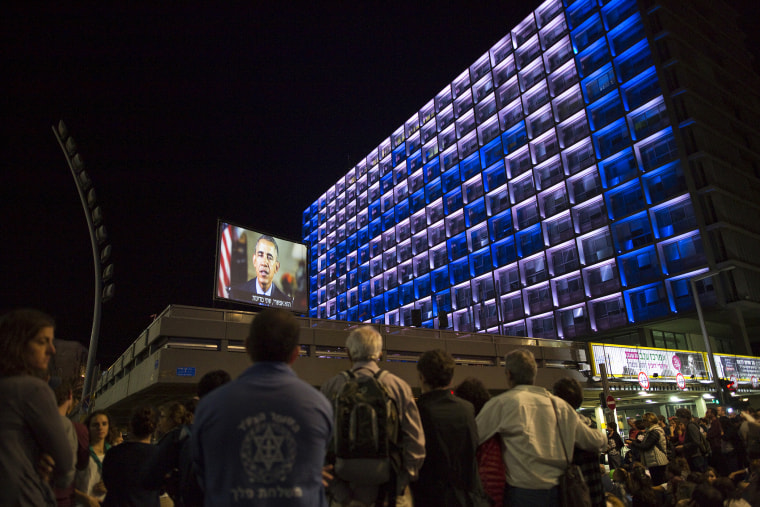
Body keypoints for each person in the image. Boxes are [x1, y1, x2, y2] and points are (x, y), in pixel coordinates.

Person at [192, 308, 332, 506]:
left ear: (247, 346)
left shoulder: (209, 407)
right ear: (296, 353)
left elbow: (202, 474)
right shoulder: (320, 406)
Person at [475, 348, 606, 506]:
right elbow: (593, 440)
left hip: (521, 492)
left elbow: (473, 437)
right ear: (534, 374)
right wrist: (604, 437)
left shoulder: (501, 404)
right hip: (560, 492)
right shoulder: (559, 406)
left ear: (508, 374)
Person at [321, 325, 425, 507]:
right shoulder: (398, 387)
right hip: (389, 493)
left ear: (348, 354)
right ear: (379, 354)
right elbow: (416, 445)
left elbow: (318, 445)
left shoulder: (332, 387)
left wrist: (341, 494)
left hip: (344, 488)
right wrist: (399, 484)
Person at [0, 308, 74, 507]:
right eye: (42, 341)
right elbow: (65, 465)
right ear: (17, 344)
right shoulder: (33, 390)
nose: (52, 349)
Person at [412, 349, 486, 506]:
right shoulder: (467, 409)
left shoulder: (417, 411)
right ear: (451, 378)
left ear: (422, 377)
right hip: (466, 497)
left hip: (430, 497)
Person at [553, 377, 605, 507]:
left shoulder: (559, 428)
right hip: (595, 495)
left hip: (574, 497)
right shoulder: (590, 425)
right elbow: (602, 442)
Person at [101, 406, 161, 506]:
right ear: (154, 428)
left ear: (131, 427)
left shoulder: (114, 453)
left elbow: (108, 482)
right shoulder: (159, 454)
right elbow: (161, 486)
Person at [53, 380, 90, 507]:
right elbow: (81, 465)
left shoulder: (30, 423)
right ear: (70, 395)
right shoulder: (77, 430)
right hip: (62, 498)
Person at [229, 235, 293, 307]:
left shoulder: (286, 303)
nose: (264, 263)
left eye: (269, 257)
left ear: (276, 267)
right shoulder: (236, 294)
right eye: (260, 255)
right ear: (254, 261)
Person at [75, 410, 113, 506]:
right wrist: (85, 499)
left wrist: (109, 485)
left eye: (104, 424)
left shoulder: (113, 453)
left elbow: (121, 482)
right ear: (88, 428)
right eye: (95, 425)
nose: (100, 427)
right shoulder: (81, 452)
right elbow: (66, 485)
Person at [626, 412, 669, 485]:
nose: (643, 423)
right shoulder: (651, 431)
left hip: (657, 461)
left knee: (658, 482)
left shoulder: (654, 432)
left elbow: (646, 446)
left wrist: (632, 443)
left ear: (649, 421)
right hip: (654, 461)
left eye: (644, 420)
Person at [675, 407, 707, 473]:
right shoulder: (690, 425)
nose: (678, 419)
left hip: (695, 456)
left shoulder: (691, 426)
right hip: (694, 455)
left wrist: (684, 446)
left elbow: (696, 442)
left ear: (683, 417)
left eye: (679, 417)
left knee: (698, 474)